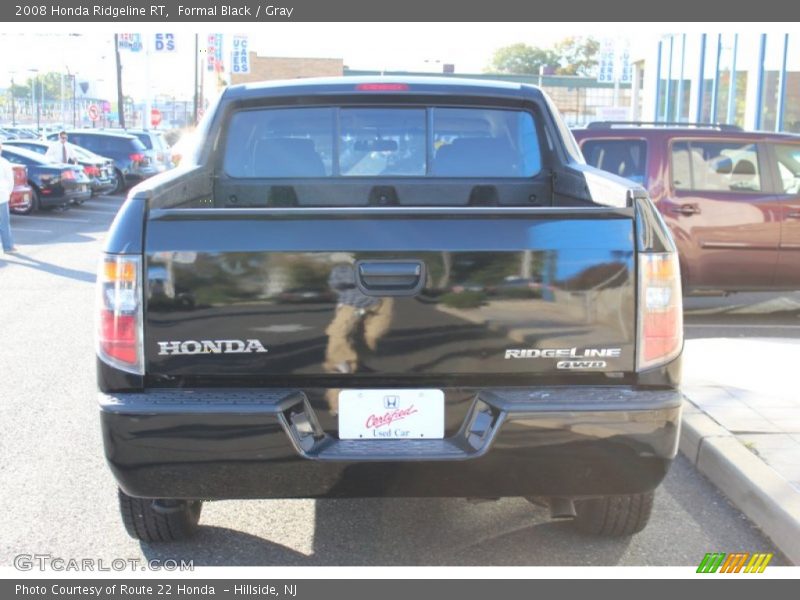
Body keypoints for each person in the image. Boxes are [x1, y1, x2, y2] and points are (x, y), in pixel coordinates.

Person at [0, 141, 19, 254]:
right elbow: (10, 181)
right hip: (2, 196)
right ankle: (7, 246)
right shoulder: (5, 163)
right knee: (4, 223)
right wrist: (8, 193)